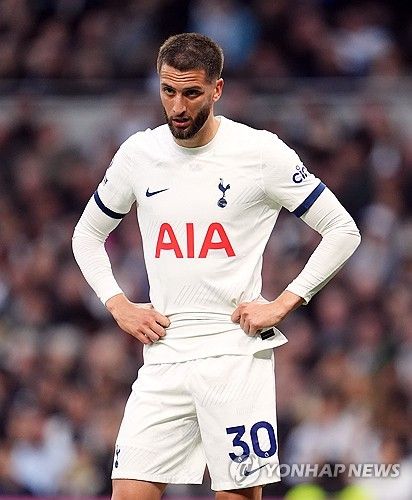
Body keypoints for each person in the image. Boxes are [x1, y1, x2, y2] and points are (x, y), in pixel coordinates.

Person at [72, 33, 361, 500]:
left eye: (191, 92)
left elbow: (343, 230)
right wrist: (117, 303)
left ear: (217, 89)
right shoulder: (138, 154)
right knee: (127, 493)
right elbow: (86, 234)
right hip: (164, 353)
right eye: (168, 91)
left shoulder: (260, 153)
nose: (177, 106)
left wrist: (284, 303)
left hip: (234, 356)